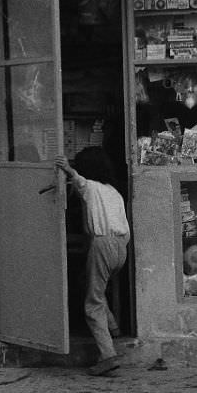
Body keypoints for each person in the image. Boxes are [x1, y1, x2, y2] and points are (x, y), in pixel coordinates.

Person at [55, 147, 130, 376]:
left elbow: (80, 183)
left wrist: (67, 169)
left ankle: (108, 355)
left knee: (92, 303)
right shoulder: (114, 192)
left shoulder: (92, 188)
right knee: (90, 282)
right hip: (121, 247)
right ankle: (113, 326)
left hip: (103, 244)